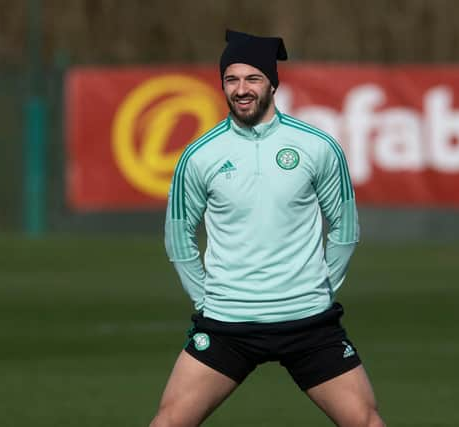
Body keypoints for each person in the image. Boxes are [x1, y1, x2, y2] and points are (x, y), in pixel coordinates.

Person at [150, 29, 386, 427]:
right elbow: (178, 237)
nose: (241, 89)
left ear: (272, 83)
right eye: (232, 79)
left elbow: (345, 227)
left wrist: (321, 287)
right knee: (169, 422)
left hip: (308, 323)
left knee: (365, 421)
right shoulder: (200, 155)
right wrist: (205, 299)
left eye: (252, 78)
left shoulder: (317, 147)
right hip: (228, 323)